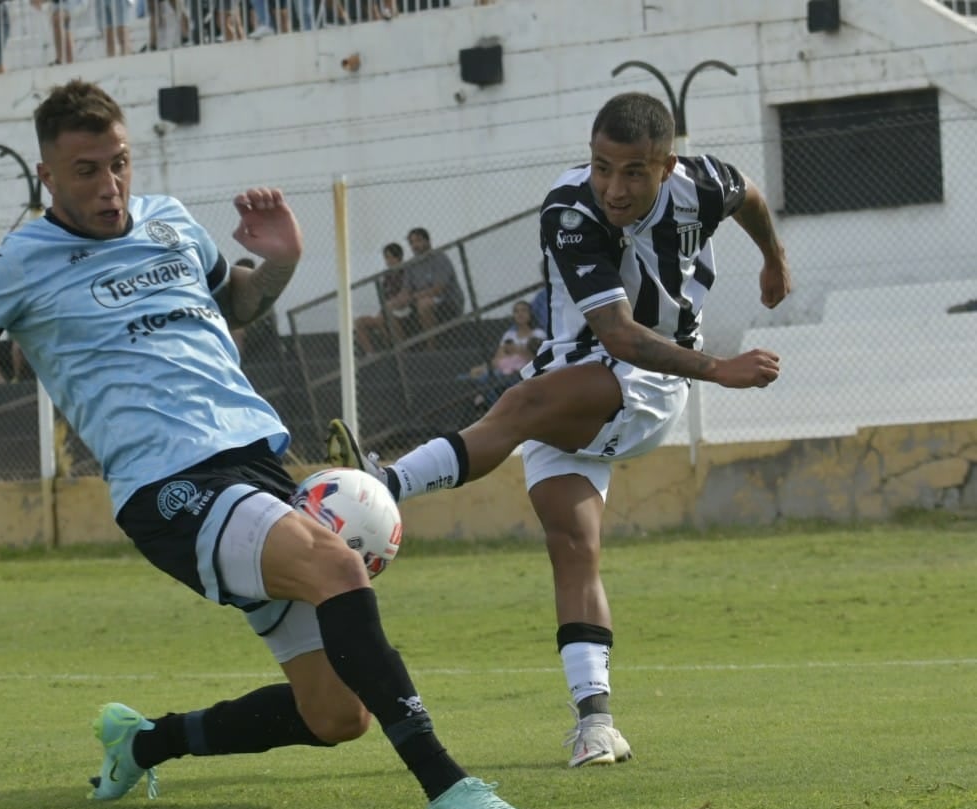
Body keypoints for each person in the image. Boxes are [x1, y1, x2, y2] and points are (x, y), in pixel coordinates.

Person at [0, 79, 533, 809]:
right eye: (86, 170)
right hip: (169, 486)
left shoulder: (171, 221)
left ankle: (143, 742)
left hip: (256, 464)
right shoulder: (19, 263)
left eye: (118, 163)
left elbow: (243, 303)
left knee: (337, 715)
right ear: (48, 174)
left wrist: (281, 259)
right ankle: (448, 786)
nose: (109, 183)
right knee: (337, 569)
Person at [328, 91, 791, 768]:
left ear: (666, 166)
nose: (613, 186)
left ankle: (379, 485)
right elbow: (614, 331)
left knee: (515, 411)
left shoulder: (703, 183)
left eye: (633, 171)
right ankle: (595, 725)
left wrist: (773, 258)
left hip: (646, 386)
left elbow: (747, 194)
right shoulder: (570, 210)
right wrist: (720, 366)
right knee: (572, 546)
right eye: (602, 166)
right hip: (583, 378)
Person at [461, 298, 541, 411]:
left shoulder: (538, 333)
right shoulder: (509, 335)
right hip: (503, 370)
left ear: (530, 314)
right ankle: (494, 405)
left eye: (524, 310)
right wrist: (482, 368)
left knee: (485, 380)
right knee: (466, 378)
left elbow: (535, 355)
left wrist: (514, 349)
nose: (520, 314)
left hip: (522, 372)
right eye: (516, 311)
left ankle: (496, 408)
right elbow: (498, 358)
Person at [400, 226, 463, 345]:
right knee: (389, 308)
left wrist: (413, 297)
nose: (415, 245)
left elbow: (438, 289)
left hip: (447, 301)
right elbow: (406, 289)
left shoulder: (440, 258)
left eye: (418, 240)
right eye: (411, 242)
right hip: (419, 300)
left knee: (424, 304)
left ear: (427, 241)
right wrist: (400, 300)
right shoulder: (411, 264)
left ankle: (431, 346)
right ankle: (403, 350)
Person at [353, 242, 411, 356]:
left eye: (390, 257)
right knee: (359, 322)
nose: (388, 261)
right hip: (388, 309)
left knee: (383, 318)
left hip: (404, 308)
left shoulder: (407, 271)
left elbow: (407, 293)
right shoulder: (387, 276)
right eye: (386, 257)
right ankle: (370, 354)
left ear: (398, 257)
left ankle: (401, 349)